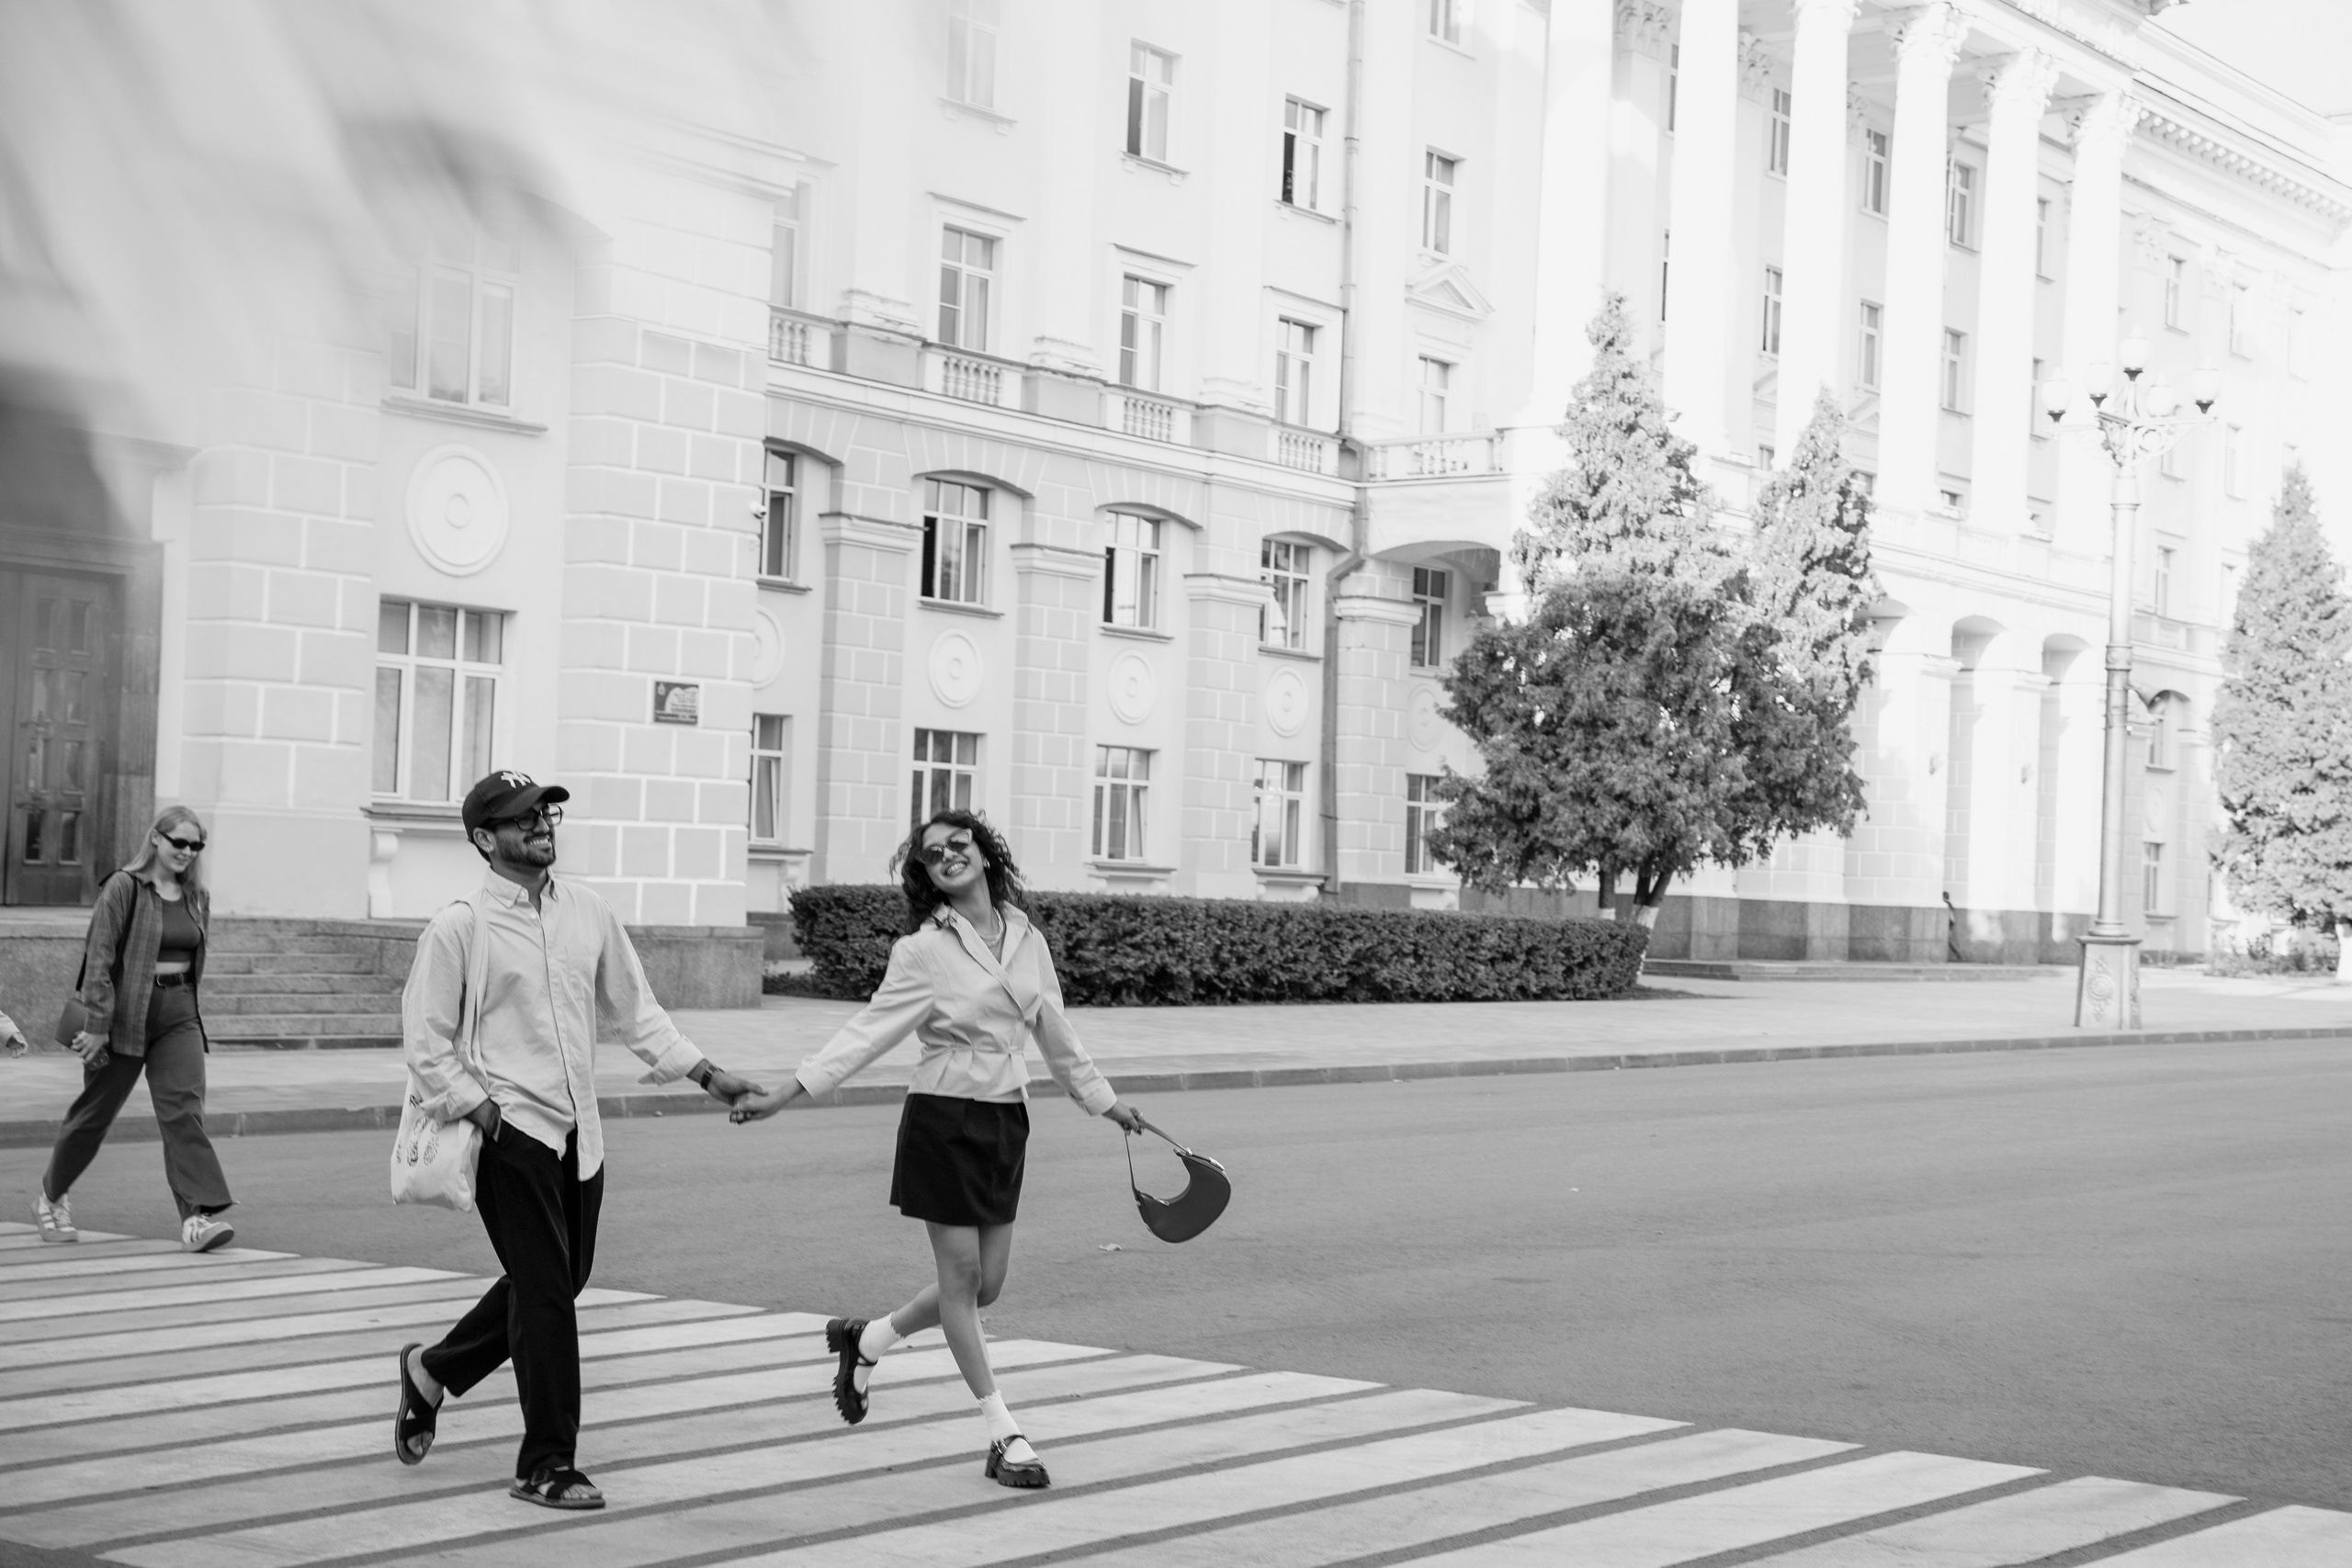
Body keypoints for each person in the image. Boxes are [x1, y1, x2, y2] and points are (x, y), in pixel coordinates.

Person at [731, 809, 1146, 1490]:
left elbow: (1056, 1033)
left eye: (958, 843)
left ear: (984, 853)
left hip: (1006, 1118)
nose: (948, 855)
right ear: (925, 874)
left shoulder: (1026, 936)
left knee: (987, 1286)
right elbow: (867, 1032)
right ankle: (1003, 1432)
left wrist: (1105, 1101)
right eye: (932, 854)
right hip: (943, 1118)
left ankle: (868, 1339)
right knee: (960, 1281)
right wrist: (787, 1091)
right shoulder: (922, 949)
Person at [390, 770, 766, 1510]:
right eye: (522, 817)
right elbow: (425, 1043)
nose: (541, 823)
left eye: (545, 812)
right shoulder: (460, 926)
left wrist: (707, 1074)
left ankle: (433, 1370)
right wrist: (484, 1112)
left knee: (562, 1280)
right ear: (484, 838)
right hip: (511, 1133)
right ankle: (547, 1464)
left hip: (579, 1133)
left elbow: (637, 1010)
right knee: (547, 1299)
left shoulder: (588, 911)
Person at [34, 806, 234, 1251]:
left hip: (179, 1014)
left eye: (196, 845)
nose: (187, 851)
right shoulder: (124, 887)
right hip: (123, 1015)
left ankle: (196, 1218)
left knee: (184, 1112)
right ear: (156, 838)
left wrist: (186, 1006)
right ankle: (50, 1198)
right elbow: (99, 958)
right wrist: (98, 1024)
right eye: (179, 842)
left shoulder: (196, 895)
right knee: (94, 1116)